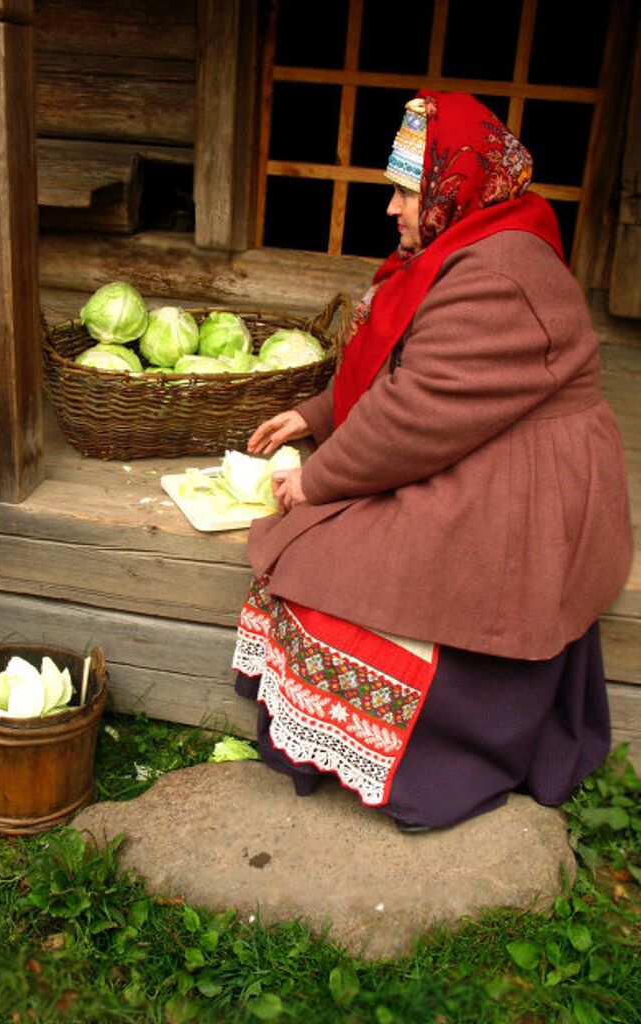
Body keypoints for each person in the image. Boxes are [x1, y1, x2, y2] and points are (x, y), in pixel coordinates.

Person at [231, 91, 634, 831]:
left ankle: (439, 759)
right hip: (486, 448)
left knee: (340, 564)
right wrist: (318, 414)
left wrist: (315, 479)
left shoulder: (498, 272)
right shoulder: (472, 243)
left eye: (404, 191)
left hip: (529, 489)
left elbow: (415, 414)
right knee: (331, 550)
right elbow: (405, 365)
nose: (391, 209)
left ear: (453, 188)